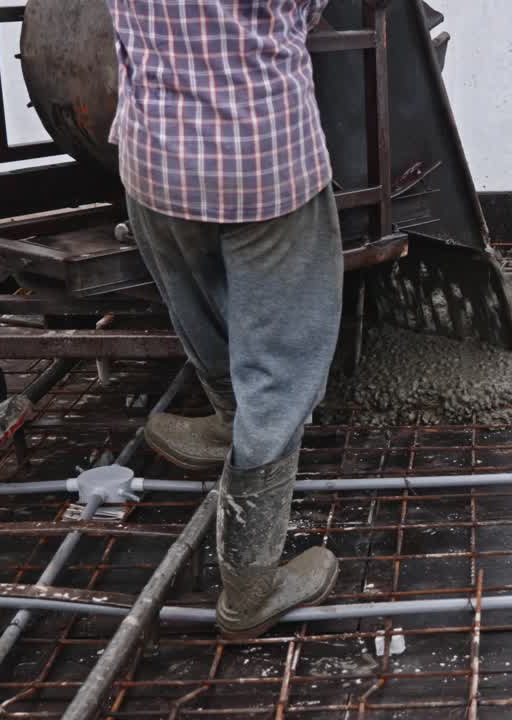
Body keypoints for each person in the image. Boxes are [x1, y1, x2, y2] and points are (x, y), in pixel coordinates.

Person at [106, 0, 342, 639]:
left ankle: (225, 423)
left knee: (200, 303)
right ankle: (250, 586)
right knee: (282, 365)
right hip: (264, 162)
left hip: (154, 160)